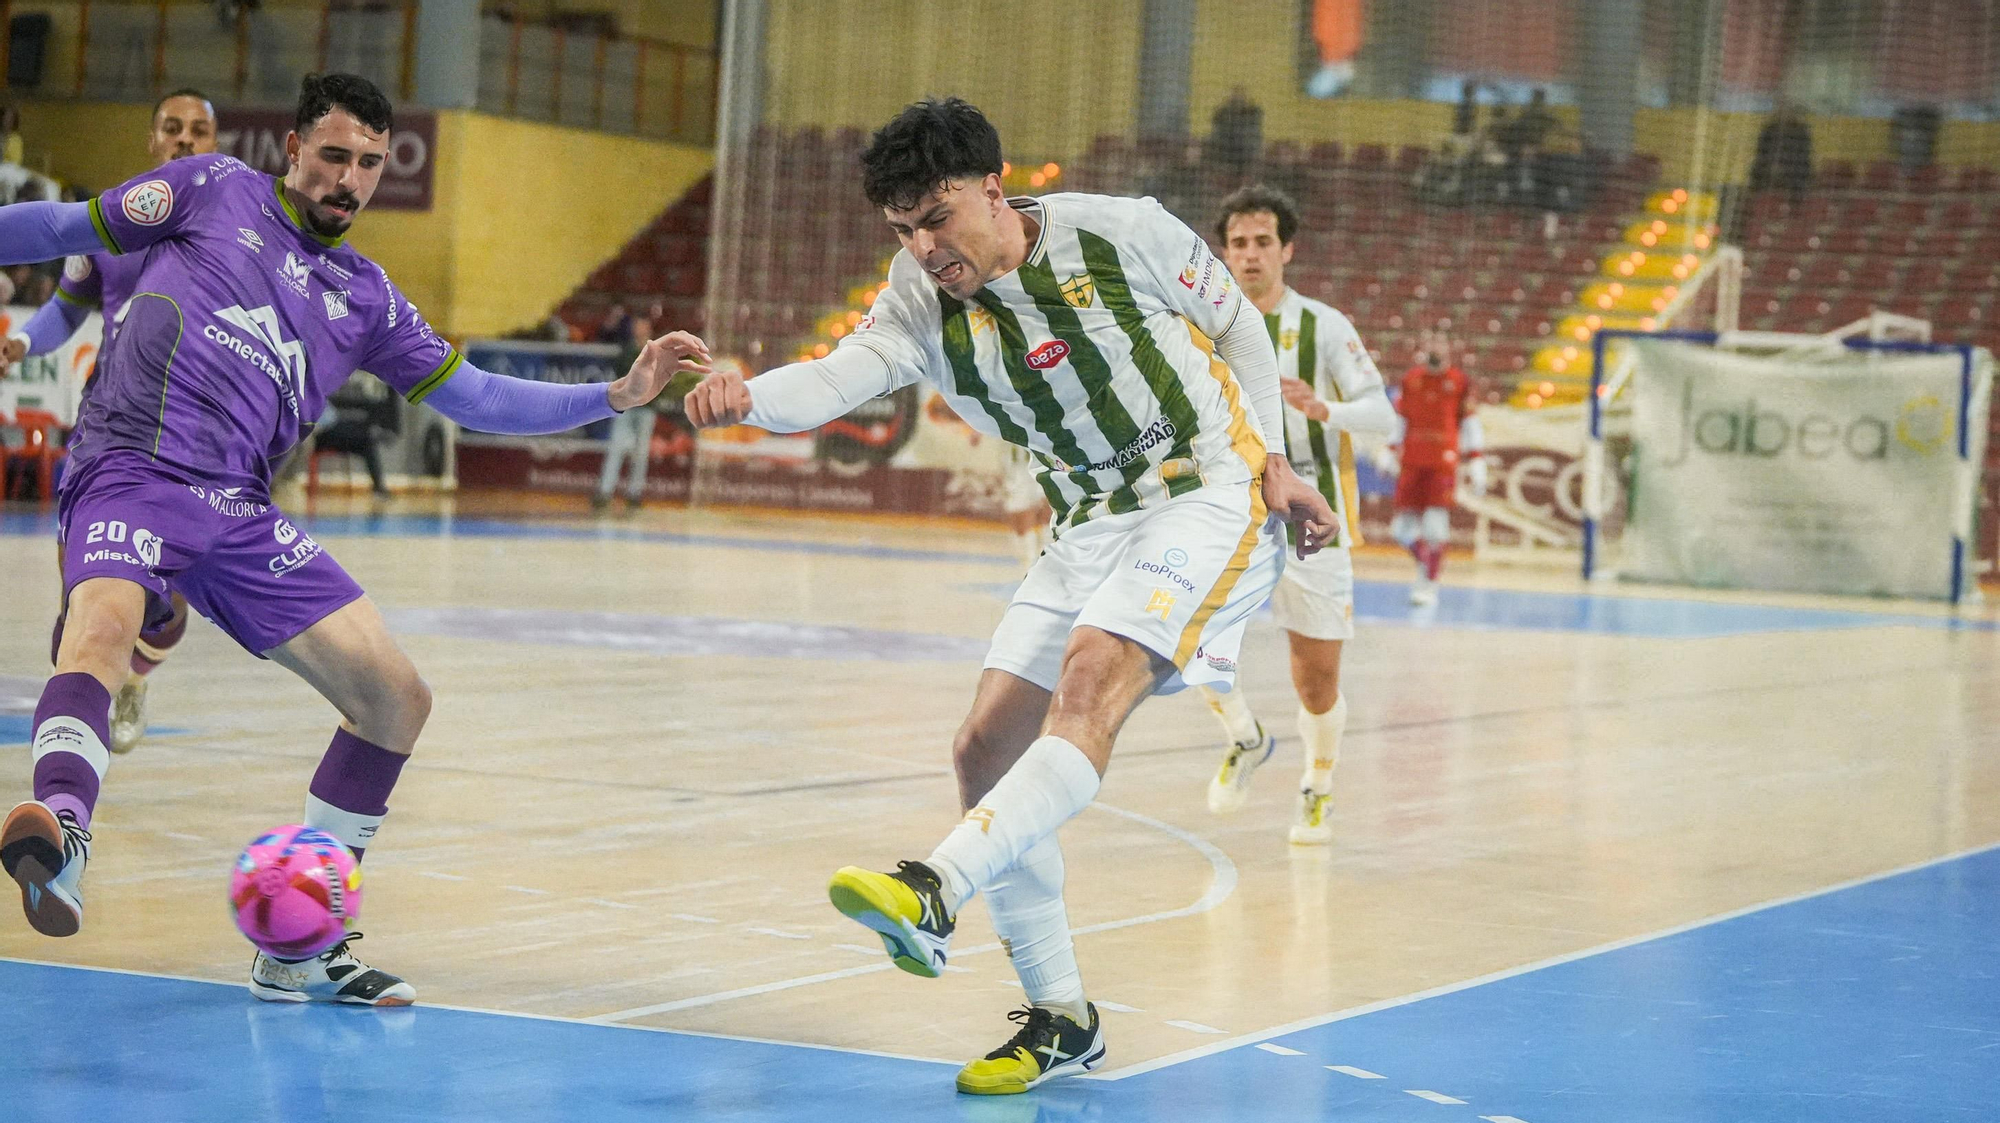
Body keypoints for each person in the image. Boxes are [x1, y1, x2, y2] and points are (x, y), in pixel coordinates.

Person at [0, 74, 706, 1006]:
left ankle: (300, 944)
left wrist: (613, 396)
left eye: (370, 163)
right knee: (100, 625)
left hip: (241, 508)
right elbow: (59, 233)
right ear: (291, 151)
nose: (350, 178)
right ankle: (65, 832)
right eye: (334, 156)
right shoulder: (211, 188)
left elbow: (481, 397)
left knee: (397, 698)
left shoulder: (365, 296)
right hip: (132, 464)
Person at [683, 98, 1334, 1095]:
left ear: (995, 187)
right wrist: (748, 396)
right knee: (981, 748)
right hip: (1085, 522)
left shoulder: (1125, 232)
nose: (923, 247)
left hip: (1206, 494)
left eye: (937, 218)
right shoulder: (915, 295)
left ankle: (934, 885)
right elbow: (837, 377)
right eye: (901, 229)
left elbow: (1238, 324)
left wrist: (1278, 466)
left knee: (1086, 687)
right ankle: (1063, 1018)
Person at [4, 87, 221, 754]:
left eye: (198, 131)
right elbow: (67, 309)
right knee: (83, 597)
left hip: (198, 439)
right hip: (107, 433)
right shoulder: (111, 220)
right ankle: (72, 756)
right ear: (153, 140)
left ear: (213, 146)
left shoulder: (240, 229)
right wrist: (20, 342)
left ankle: (136, 676)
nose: (184, 140)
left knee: (167, 602)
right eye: (171, 128)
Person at [1195, 186, 1395, 845]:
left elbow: (1384, 414)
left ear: (1287, 250)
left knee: (1316, 677)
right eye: (1239, 243)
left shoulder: (1324, 327)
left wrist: (1323, 410)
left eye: (1262, 242)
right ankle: (1245, 737)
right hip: (1225, 511)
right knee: (1188, 637)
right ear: (1225, 252)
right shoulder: (1197, 324)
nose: (1250, 255)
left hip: (1314, 519)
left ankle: (1318, 783)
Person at [1383, 332, 1483, 605]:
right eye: (1431, 345)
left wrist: (1476, 459)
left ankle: (1428, 583)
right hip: (1412, 462)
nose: (1435, 349)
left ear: (1449, 350)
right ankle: (1426, 565)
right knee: (1401, 531)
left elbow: (1470, 422)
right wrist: (1390, 451)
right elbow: (1400, 419)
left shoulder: (1459, 382)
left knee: (1435, 530)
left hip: (1442, 464)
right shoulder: (1411, 380)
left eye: (1440, 344)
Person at [593, 311, 659, 513]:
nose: (638, 330)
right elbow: (621, 372)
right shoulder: (627, 350)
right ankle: (604, 492)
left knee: (641, 453)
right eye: (636, 326)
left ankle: (634, 494)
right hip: (626, 407)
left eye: (642, 326)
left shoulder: (656, 352)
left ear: (648, 328)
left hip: (646, 408)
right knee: (616, 448)